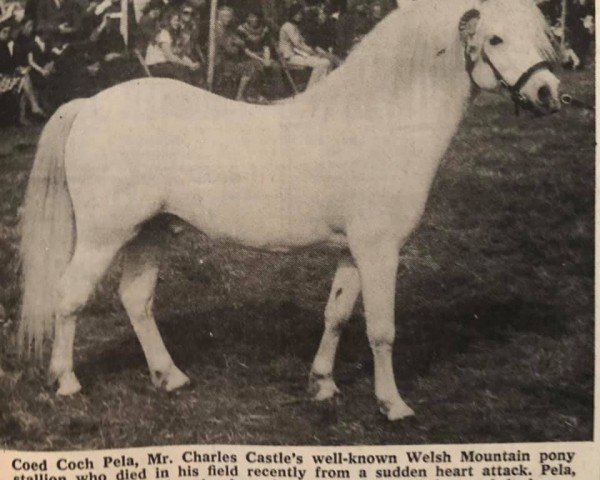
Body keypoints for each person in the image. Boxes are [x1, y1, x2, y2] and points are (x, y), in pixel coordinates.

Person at [0, 18, 45, 124]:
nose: (6, 34)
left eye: (7, 32)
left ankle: (27, 113)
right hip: (2, 77)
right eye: (3, 32)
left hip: (6, 76)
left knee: (25, 77)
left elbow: (9, 64)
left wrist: (17, 69)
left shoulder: (5, 45)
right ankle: (33, 107)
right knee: (25, 79)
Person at [279, 3, 331, 89]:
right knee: (322, 63)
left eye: (300, 14)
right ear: (292, 14)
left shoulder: (294, 26)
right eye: (296, 14)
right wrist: (312, 52)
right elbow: (298, 44)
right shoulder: (287, 26)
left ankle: (321, 87)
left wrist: (314, 52)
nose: (299, 16)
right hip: (289, 57)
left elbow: (302, 43)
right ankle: (310, 89)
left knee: (326, 61)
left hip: (298, 54)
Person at [214, 6, 260, 101]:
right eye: (227, 16)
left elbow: (241, 44)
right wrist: (236, 46)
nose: (229, 19)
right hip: (221, 62)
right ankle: (239, 95)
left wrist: (238, 44)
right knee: (250, 67)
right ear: (220, 16)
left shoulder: (227, 29)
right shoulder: (217, 29)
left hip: (228, 60)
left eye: (230, 17)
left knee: (254, 64)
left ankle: (247, 94)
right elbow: (229, 50)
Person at [237, 10, 285, 100]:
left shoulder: (264, 29)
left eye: (255, 17)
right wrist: (261, 60)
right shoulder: (241, 29)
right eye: (251, 17)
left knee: (275, 66)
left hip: (262, 55)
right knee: (258, 67)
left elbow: (266, 46)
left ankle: (276, 94)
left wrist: (266, 59)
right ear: (247, 18)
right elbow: (245, 50)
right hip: (247, 57)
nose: (254, 19)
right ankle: (254, 94)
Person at [145, 9, 200, 84]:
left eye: (179, 21)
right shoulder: (164, 33)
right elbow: (170, 56)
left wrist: (191, 64)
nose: (177, 23)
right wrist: (188, 64)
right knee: (181, 72)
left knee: (191, 72)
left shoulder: (173, 35)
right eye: (175, 20)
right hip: (156, 66)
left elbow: (180, 55)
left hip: (165, 65)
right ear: (168, 21)